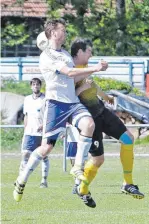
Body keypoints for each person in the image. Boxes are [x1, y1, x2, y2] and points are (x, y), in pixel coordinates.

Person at [13, 18, 108, 205]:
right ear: (53, 33)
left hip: (72, 102)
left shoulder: (64, 53)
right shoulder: (47, 57)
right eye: (62, 30)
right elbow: (69, 73)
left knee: (89, 124)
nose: (65, 33)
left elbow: (73, 78)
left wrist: (89, 74)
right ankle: (21, 179)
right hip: (56, 104)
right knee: (46, 148)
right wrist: (95, 68)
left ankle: (78, 167)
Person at [67, 38, 144, 207]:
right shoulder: (70, 71)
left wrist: (106, 97)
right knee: (98, 160)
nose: (91, 54)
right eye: (89, 51)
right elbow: (70, 96)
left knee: (128, 139)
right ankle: (83, 190)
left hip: (103, 112)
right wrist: (82, 87)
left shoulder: (84, 70)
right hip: (89, 120)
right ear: (79, 52)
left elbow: (92, 86)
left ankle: (128, 183)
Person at [19, 78, 49, 188]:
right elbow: (26, 115)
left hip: (42, 133)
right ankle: (21, 178)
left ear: (40, 86)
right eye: (33, 84)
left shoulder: (45, 99)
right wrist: (25, 129)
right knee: (25, 154)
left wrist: (44, 125)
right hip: (29, 132)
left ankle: (44, 181)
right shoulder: (27, 99)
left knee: (44, 156)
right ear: (31, 86)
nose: (35, 86)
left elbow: (49, 115)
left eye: (37, 84)